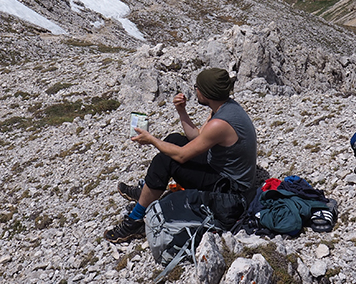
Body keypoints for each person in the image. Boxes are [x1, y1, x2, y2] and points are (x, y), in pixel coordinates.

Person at [104, 67, 257, 243]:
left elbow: (183, 156)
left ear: (207, 93)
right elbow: (198, 137)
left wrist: (152, 140)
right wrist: (181, 111)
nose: (195, 90)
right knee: (174, 139)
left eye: (197, 87)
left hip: (230, 190)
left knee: (166, 159)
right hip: (224, 173)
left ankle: (135, 221)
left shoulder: (219, 123)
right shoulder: (225, 107)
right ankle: (146, 192)